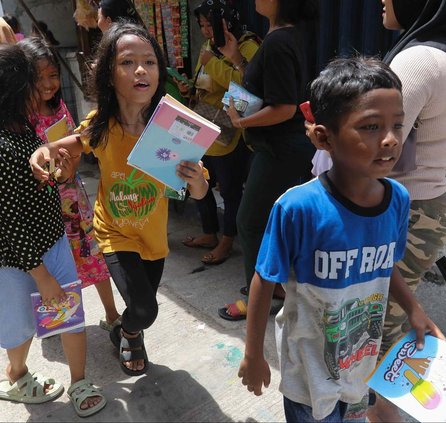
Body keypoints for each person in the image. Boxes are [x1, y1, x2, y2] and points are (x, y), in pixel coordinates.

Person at [237, 56, 444, 423]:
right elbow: (264, 281)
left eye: (397, 124)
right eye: (369, 126)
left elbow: (386, 266)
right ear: (323, 137)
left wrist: (414, 309)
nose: (390, 139)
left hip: (360, 365)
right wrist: (254, 355)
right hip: (308, 375)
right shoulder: (298, 208)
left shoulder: (397, 200)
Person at [30, 22, 208, 377]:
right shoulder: (101, 124)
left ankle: (129, 328)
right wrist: (44, 151)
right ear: (109, 76)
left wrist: (196, 179)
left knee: (144, 308)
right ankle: (127, 333)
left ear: (159, 73)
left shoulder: (171, 128)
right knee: (145, 309)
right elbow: (74, 143)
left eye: (150, 62)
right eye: (128, 62)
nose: (141, 70)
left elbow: (200, 190)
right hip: (113, 232)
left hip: (153, 236)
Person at [368, 0, 446, 420]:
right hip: (421, 210)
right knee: (387, 326)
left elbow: (375, 149)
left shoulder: (417, 59)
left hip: (406, 214)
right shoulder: (443, 53)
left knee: (380, 332)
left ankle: (381, 416)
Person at [0, 43, 106, 417]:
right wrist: (41, 276)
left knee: (69, 313)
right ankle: (17, 374)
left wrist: (57, 170)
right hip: (17, 260)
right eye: (34, 82)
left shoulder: (25, 127)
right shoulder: (2, 146)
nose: (42, 89)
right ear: (15, 90)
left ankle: (78, 381)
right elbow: (9, 225)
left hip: (53, 239)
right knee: (20, 325)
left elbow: (39, 182)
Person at [219, 0, 318, 320]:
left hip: (280, 150)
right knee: (264, 222)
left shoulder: (278, 42)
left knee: (248, 222)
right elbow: (266, 90)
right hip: (281, 148)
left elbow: (284, 107)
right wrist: (236, 59)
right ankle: (272, 284)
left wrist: (241, 122)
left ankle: (255, 300)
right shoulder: (284, 36)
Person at [19, 36, 122, 332]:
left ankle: (112, 314)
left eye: (53, 75)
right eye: (40, 78)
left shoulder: (59, 105)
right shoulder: (20, 118)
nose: (49, 84)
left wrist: (69, 168)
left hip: (73, 199)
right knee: (52, 265)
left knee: (93, 255)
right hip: (42, 204)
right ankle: (56, 323)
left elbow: (75, 145)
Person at [177, 0, 259, 265]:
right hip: (203, 124)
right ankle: (209, 233)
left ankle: (227, 241)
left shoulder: (246, 46)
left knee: (230, 189)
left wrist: (212, 63)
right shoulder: (208, 47)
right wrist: (189, 88)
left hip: (228, 130)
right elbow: (205, 83)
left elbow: (247, 85)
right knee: (199, 180)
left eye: (210, 24)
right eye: (202, 26)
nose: (206, 31)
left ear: (226, 22)